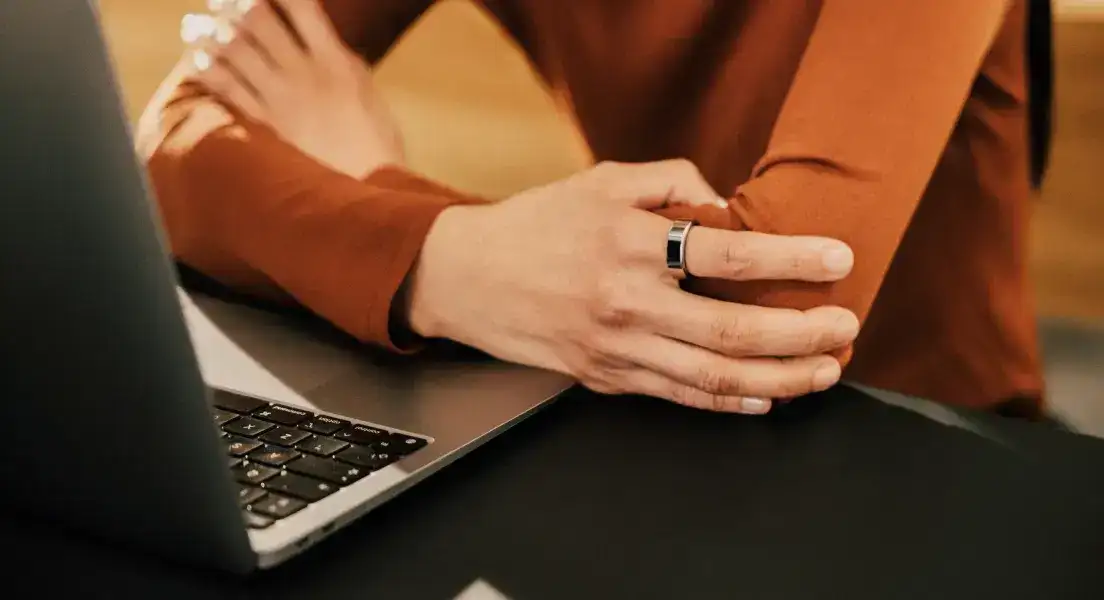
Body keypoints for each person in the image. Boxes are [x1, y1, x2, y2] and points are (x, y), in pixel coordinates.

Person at [138, 0, 1044, 418]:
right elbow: (178, 140)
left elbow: (779, 302)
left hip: (920, 441)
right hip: (626, 406)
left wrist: (378, 189)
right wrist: (449, 255)